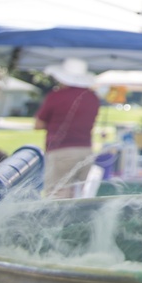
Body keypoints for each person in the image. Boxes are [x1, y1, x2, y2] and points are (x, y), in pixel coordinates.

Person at [35, 57, 101, 198]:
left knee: (57, 197)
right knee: (79, 196)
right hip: (85, 150)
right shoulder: (93, 97)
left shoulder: (56, 96)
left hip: (62, 150)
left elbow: (38, 124)